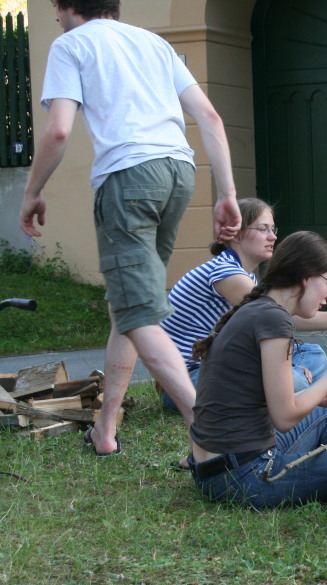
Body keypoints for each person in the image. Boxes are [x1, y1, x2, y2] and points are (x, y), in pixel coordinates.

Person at [19, 0, 241, 457]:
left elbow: (58, 131)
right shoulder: (153, 43)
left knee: (138, 311)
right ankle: (105, 431)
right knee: (128, 306)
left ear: (65, 7)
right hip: (178, 172)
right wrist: (226, 194)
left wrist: (33, 191)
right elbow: (211, 118)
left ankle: (211, 430)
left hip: (128, 177)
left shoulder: (71, 44)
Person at [187, 231, 327, 509]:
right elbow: (284, 417)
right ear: (306, 277)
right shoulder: (273, 320)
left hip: (213, 467)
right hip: (244, 477)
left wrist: (322, 394)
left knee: (323, 412)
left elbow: (263, 400)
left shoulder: (260, 310)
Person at [159, 198, 327, 411]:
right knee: (295, 382)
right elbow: (278, 319)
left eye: (273, 229)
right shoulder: (226, 274)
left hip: (218, 371)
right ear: (235, 232)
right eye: (263, 229)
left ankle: (299, 386)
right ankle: (301, 388)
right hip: (191, 382)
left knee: (315, 354)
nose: (273, 236)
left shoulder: (243, 275)